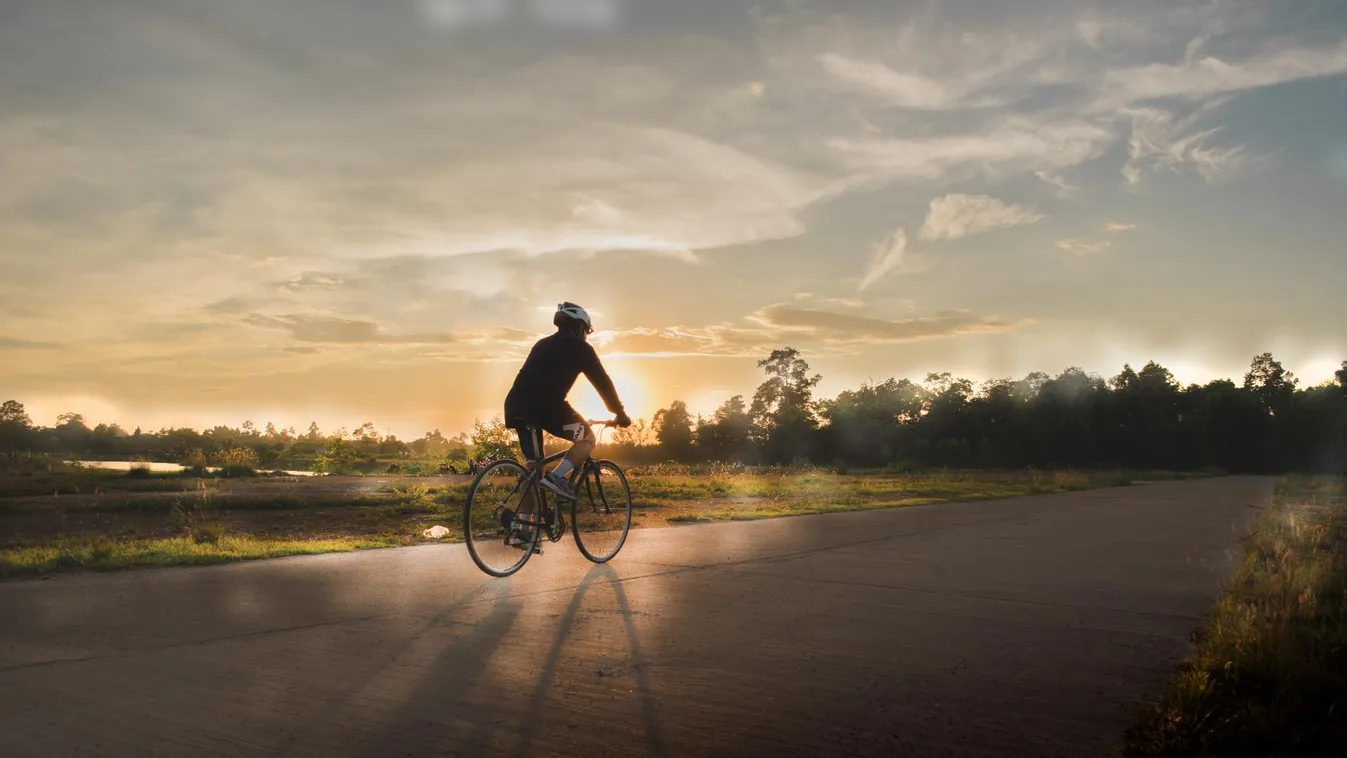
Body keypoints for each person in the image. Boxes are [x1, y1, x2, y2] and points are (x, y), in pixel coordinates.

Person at [503, 302, 631, 547]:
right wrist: (620, 414)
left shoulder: (542, 344)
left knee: (532, 469)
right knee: (587, 438)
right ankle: (559, 477)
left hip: (517, 407)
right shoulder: (581, 348)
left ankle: (523, 529)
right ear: (579, 327)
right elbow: (603, 383)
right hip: (546, 407)